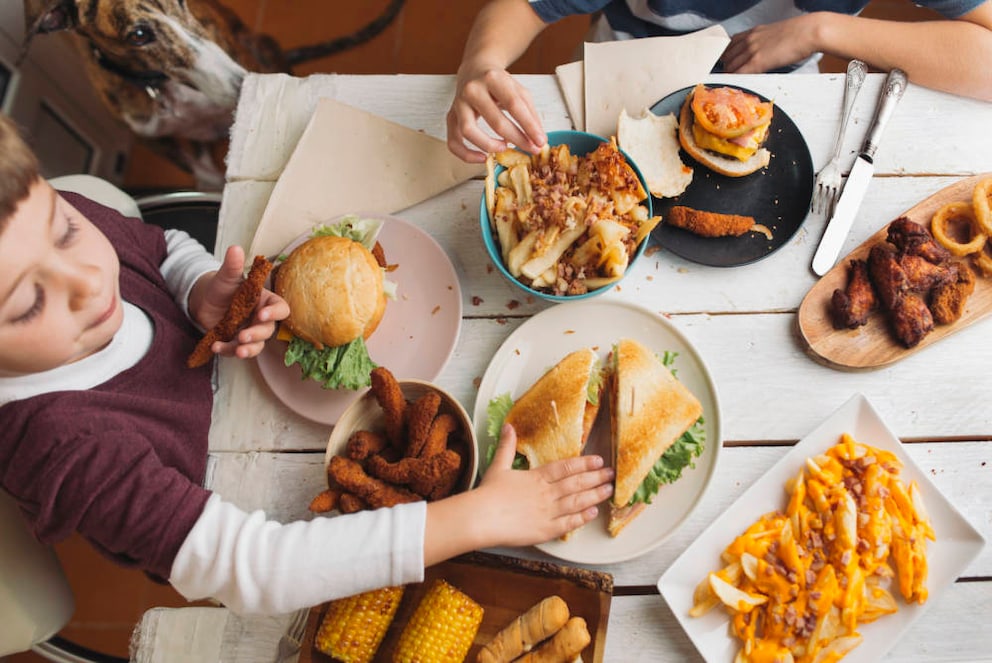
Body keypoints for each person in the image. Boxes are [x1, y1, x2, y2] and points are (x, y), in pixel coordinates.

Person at [0, 114, 614, 615]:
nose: (85, 280)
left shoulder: (64, 215)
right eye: (27, 303)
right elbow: (257, 570)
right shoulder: (61, 449)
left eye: (65, 231)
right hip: (210, 502)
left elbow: (159, 247)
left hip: (229, 383)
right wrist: (480, 516)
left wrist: (200, 292)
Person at [447, 0, 992, 162]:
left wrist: (822, 29)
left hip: (788, 87)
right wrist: (480, 66)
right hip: (621, 75)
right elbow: (525, 7)